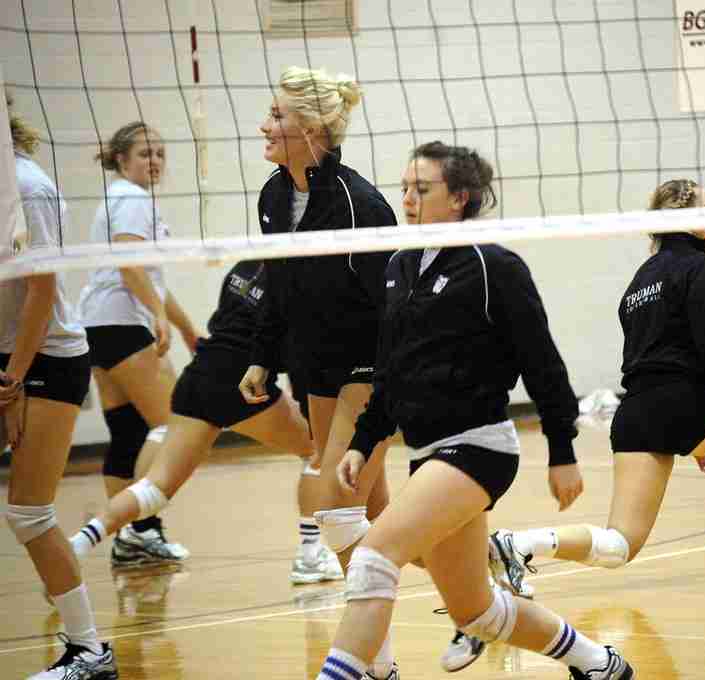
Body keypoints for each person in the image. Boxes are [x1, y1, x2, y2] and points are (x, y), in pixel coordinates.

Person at [313, 140, 634, 680]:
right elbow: (389, 371)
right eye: (405, 188)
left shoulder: (493, 266)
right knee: (477, 612)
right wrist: (363, 443)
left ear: (460, 196)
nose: (408, 199)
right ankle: (600, 665)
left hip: (479, 446)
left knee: (372, 558)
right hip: (427, 452)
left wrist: (562, 451)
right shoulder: (398, 266)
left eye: (422, 188)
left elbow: (544, 365)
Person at [489, 179, 705, 597]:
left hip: (636, 414)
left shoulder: (639, 280)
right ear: (687, 219)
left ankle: (520, 543)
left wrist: (699, 428)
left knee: (618, 545)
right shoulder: (702, 267)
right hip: (683, 405)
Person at [238, 66, 401, 678]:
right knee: (376, 515)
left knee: (333, 501)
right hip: (318, 368)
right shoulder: (274, 196)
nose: (264, 125)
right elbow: (276, 286)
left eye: (277, 116)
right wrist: (262, 354)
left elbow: (393, 300)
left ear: (312, 130)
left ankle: (364, 660)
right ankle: (477, 573)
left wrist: (395, 385)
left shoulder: (360, 203)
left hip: (371, 365)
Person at [67, 260, 344, 584]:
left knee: (155, 488)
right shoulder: (300, 279)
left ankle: (79, 542)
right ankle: (310, 556)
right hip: (242, 382)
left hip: (198, 376)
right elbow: (294, 347)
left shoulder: (244, 267)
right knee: (316, 449)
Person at [2, 90, 118, 680]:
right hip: (7, 357)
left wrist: (13, 378)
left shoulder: (27, 186)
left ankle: (89, 651)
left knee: (27, 511)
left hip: (45, 356)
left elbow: (42, 292)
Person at [77, 121, 199, 566]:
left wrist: (184, 327)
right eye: (145, 153)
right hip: (123, 325)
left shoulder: (121, 198)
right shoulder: (131, 200)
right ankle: (143, 528)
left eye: (160, 153)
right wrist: (156, 318)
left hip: (99, 327)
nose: (155, 161)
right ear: (122, 159)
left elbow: (151, 280)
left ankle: (129, 536)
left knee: (128, 434)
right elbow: (131, 268)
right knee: (172, 428)